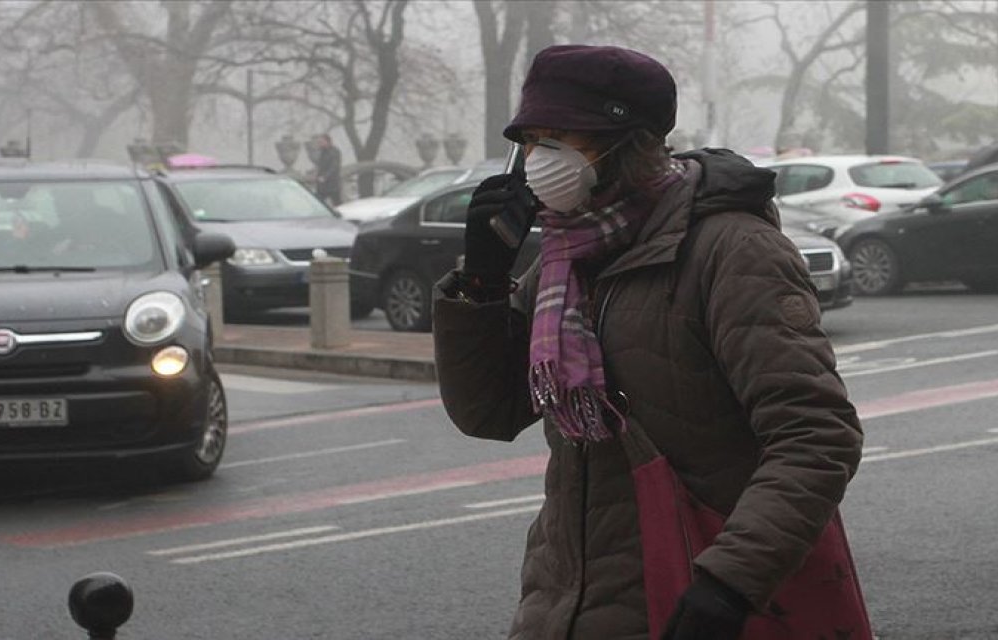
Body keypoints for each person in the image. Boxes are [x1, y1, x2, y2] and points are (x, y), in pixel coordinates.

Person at [433, 45, 865, 640]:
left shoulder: (733, 251)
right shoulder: (563, 260)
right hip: (565, 604)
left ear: (626, 143)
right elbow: (490, 412)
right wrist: (481, 282)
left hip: (696, 595)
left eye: (560, 138)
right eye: (530, 141)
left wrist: (729, 582)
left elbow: (816, 435)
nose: (538, 159)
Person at [312, 133, 343, 206]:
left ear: (328, 141)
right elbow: (320, 166)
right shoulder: (322, 152)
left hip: (332, 184)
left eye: (321, 142)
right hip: (322, 185)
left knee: (337, 203)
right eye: (319, 142)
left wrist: (325, 177)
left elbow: (334, 167)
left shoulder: (334, 152)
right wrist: (316, 175)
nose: (319, 144)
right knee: (317, 202)